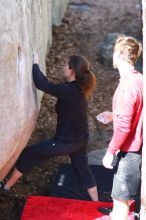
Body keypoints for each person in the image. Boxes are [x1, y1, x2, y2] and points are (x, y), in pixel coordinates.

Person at [0, 54, 98, 201]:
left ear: (72, 71)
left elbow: (42, 84)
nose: (63, 67)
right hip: (80, 140)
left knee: (29, 154)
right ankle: (96, 204)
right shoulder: (79, 89)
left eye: (66, 65)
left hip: (66, 142)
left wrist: (35, 64)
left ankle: (5, 188)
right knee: (83, 170)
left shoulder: (69, 91)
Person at [97, 36, 143, 220]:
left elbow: (124, 127)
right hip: (136, 147)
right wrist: (113, 114)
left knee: (120, 198)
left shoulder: (127, 85)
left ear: (118, 55)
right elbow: (135, 112)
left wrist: (110, 151)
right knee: (121, 198)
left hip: (130, 150)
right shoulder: (138, 78)